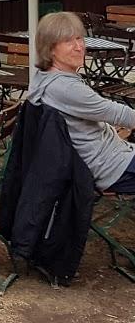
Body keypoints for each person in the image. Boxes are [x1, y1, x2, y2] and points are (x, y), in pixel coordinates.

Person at [27, 11, 135, 194]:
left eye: (79, 38)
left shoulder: (43, 78)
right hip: (111, 167)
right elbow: (119, 114)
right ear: (50, 49)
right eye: (68, 41)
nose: (79, 47)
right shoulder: (66, 88)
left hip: (109, 155)